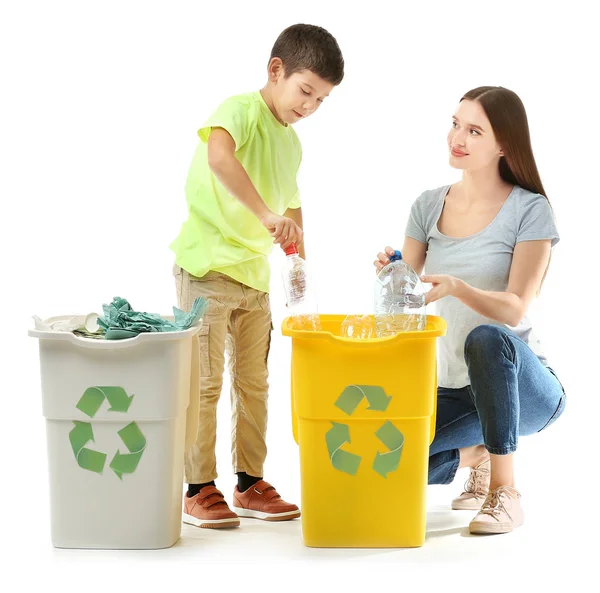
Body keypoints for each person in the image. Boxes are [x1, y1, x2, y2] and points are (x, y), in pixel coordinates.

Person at [170, 24, 344, 529]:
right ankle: (199, 488)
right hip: (205, 268)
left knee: (254, 383)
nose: (310, 106)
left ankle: (249, 483)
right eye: (305, 90)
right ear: (276, 70)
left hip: (253, 278)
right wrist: (267, 215)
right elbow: (218, 157)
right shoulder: (239, 110)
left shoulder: (292, 144)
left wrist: (301, 265)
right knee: (204, 382)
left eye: (321, 99)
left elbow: (293, 205)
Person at [374, 86, 565, 535]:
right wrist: (390, 272)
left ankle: (505, 491)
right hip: (460, 389)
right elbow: (406, 297)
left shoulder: (530, 210)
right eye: (455, 124)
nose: (457, 137)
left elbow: (515, 309)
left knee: (486, 337)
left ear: (503, 145)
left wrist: (459, 288)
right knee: (386, 455)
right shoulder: (427, 206)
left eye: (474, 130)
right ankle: (474, 456)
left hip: (526, 388)